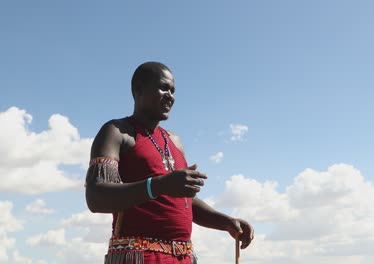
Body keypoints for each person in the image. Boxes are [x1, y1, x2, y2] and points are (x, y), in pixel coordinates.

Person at [85, 61, 254, 264]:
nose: (170, 96)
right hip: (140, 257)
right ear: (138, 89)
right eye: (164, 87)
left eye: (173, 91)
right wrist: (160, 184)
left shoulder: (174, 141)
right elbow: (96, 197)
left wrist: (225, 222)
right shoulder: (117, 132)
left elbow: (183, 201)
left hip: (184, 258)